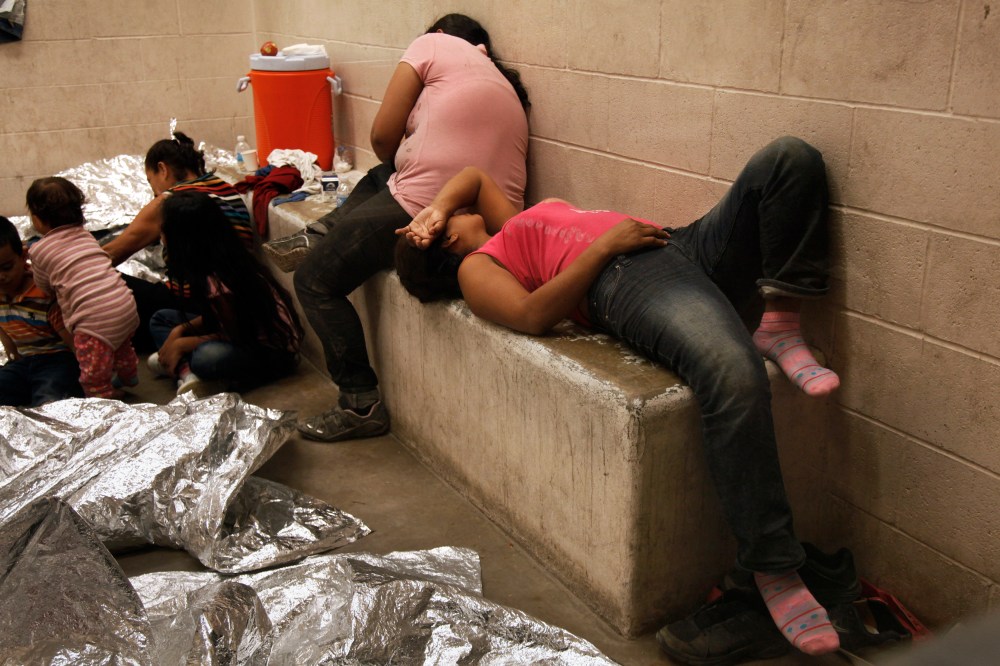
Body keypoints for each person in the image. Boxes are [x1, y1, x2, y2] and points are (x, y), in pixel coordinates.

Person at [396, 137, 842, 658]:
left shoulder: (502, 224)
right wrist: (604, 248)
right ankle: (772, 565)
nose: (469, 209)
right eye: (454, 218)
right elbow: (533, 315)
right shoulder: (478, 266)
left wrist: (437, 207)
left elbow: (471, 172)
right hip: (623, 275)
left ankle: (781, 320)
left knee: (789, 161)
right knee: (732, 371)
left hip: (672, 246)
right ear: (447, 242)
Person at [287, 13, 531, 443]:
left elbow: (382, 139)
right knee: (383, 177)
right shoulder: (498, 78)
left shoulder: (431, 46)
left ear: (438, 34)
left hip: (429, 208)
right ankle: (325, 229)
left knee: (313, 280)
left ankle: (361, 404)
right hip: (492, 214)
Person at [103, 131, 253, 351]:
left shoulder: (172, 202)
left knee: (100, 279)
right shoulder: (225, 189)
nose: (152, 190)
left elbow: (111, 254)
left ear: (162, 169)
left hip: (198, 301)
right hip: (238, 293)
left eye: (150, 181)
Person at [147, 191, 302, 396]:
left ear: (184, 239)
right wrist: (177, 332)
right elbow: (216, 319)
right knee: (161, 319)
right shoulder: (215, 261)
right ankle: (186, 370)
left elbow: (238, 336)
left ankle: (188, 371)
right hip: (238, 332)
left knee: (206, 357)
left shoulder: (219, 282)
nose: (160, 233)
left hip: (272, 354)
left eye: (165, 228)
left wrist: (185, 344)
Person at [26, 177, 140, 399]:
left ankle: (104, 397)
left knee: (92, 370)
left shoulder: (39, 251)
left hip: (94, 321)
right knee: (121, 345)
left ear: (37, 219)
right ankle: (130, 375)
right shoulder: (85, 235)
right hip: (125, 304)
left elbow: (43, 285)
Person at [0, 215, 83, 406]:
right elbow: (6, 336)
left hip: (57, 360)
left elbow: (71, 341)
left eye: (6, 267)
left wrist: (89, 374)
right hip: (24, 363)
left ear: (23, 256)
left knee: (50, 399)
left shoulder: (43, 295)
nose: (1, 277)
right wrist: (13, 359)